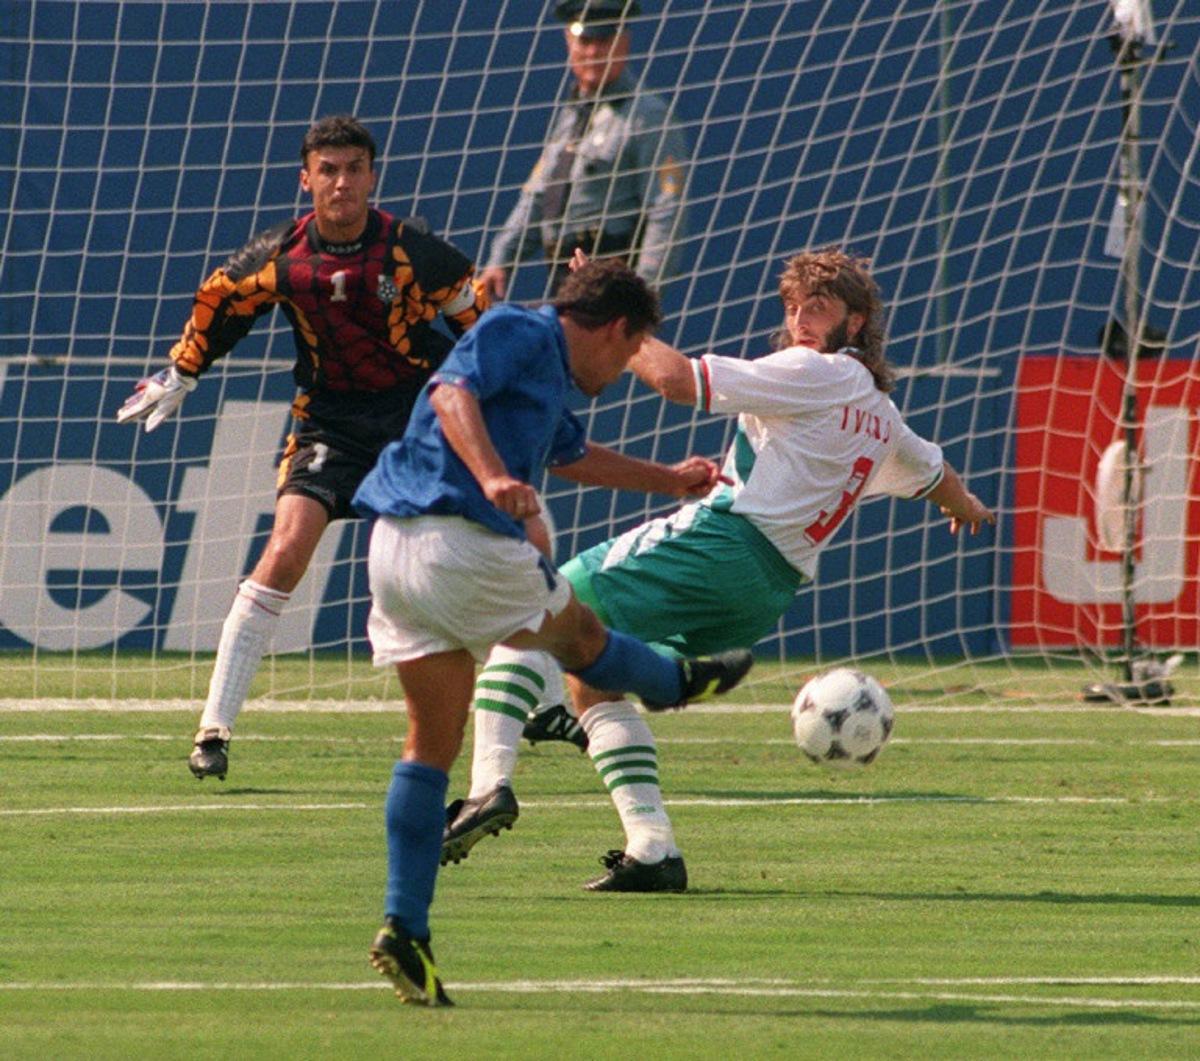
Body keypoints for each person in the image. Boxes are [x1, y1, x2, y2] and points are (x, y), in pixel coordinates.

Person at [443, 246, 996, 892]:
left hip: (722, 545)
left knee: (534, 608)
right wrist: (967, 507)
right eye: (793, 306)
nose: (801, 320)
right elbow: (934, 470)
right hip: (766, 594)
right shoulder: (880, 412)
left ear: (857, 320)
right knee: (593, 680)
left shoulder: (813, 370)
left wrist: (617, 324)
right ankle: (653, 848)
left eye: (819, 307)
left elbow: (677, 380)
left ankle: (488, 786)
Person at [352, 257, 754, 1006]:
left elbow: (573, 457)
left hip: (395, 551)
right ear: (615, 328)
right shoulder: (521, 330)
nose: (625, 369)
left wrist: (670, 479)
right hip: (460, 539)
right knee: (585, 642)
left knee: (429, 746)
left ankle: (405, 927)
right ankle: (672, 681)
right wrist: (492, 476)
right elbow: (449, 392)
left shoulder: (545, 373)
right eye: (630, 352)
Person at [116, 115, 488, 781]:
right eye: (328, 170)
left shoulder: (414, 253)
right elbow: (221, 303)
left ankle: (543, 700)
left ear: (372, 177)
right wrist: (182, 372)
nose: (341, 182)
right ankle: (213, 729)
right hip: (329, 423)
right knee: (285, 549)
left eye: (353, 169)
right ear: (306, 180)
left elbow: (481, 328)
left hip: (415, 422)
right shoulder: (280, 256)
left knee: (458, 562)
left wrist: (507, 392)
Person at [479, 0, 689, 300]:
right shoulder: (572, 114)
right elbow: (538, 196)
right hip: (564, 279)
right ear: (569, 40)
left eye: (604, 41)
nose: (593, 53)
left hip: (611, 279)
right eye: (585, 41)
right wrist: (501, 259)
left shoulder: (647, 116)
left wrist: (641, 296)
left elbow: (666, 211)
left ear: (624, 42)